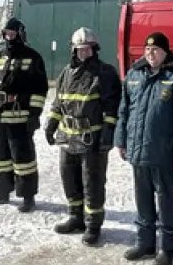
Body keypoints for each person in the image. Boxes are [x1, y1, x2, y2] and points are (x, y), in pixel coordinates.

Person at [114, 32, 173, 265]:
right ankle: (145, 243)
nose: (151, 54)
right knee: (142, 198)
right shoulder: (134, 75)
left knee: (165, 199)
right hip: (138, 150)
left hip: (164, 152)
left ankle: (166, 248)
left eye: (156, 50)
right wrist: (121, 140)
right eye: (148, 50)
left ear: (165, 52)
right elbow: (124, 111)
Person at [43, 27, 121, 245]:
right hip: (67, 139)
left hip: (91, 140)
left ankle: (93, 225)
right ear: (73, 50)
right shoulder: (66, 73)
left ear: (94, 49)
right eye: (80, 49)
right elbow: (58, 102)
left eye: (87, 49)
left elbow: (112, 106)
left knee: (92, 183)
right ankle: (75, 218)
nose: (83, 52)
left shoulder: (105, 73)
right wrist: (51, 124)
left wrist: (108, 133)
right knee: (70, 181)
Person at [0, 17, 48, 212]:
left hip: (20, 119)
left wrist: (34, 114)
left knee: (23, 160)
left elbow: (40, 90)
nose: (9, 37)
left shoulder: (33, 58)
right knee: (0, 159)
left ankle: (27, 197)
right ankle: (1, 192)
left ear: (21, 34)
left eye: (13, 34)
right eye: (6, 34)